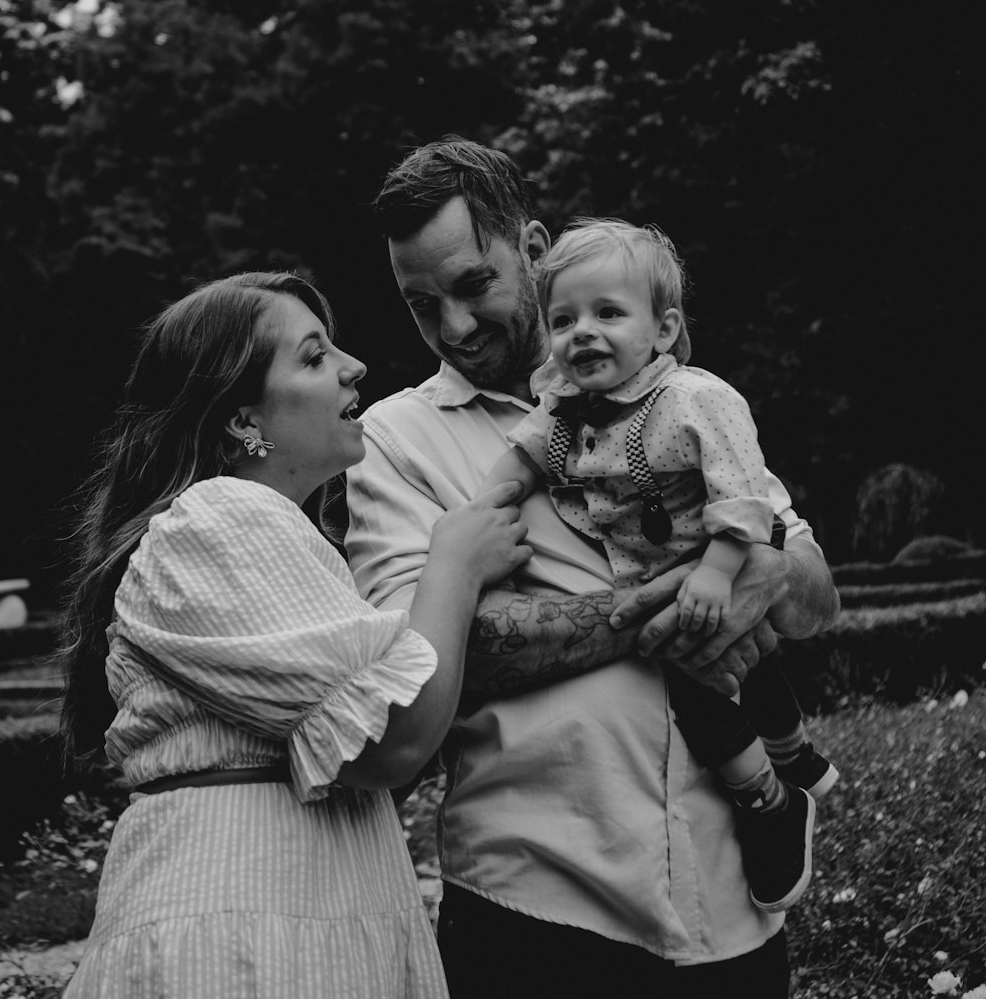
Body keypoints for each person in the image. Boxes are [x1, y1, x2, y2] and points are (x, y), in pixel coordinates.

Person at [345, 138, 840, 999]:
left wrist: (765, 569)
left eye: (473, 286)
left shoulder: (672, 394)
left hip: (733, 903)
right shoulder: (395, 442)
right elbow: (426, 662)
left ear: (534, 251)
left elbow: (813, 599)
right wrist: (682, 595)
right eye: (422, 306)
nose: (454, 328)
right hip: (537, 908)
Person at [59, 270, 529, 999]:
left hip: (287, 919)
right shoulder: (221, 517)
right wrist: (455, 567)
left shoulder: (275, 537)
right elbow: (392, 742)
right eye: (313, 357)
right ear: (243, 419)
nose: (354, 366)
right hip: (243, 939)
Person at [476, 215, 839, 915]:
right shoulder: (568, 411)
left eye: (608, 313)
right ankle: (780, 787)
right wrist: (480, 509)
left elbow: (741, 494)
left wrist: (719, 570)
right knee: (708, 682)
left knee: (739, 667)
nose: (583, 331)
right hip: (653, 577)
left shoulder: (695, 399)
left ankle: (773, 792)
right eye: (564, 318)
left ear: (663, 330)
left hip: (719, 559)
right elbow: (520, 459)